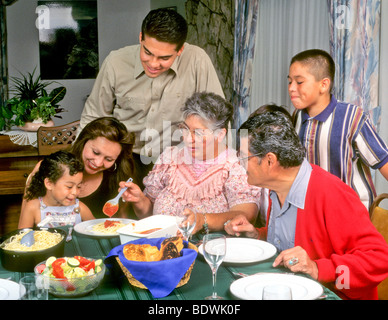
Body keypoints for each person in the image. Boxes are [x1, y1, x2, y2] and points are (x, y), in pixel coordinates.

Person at [225, 110, 388, 300]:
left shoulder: (331, 193)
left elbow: (379, 260)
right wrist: (257, 235)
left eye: (244, 157)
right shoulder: (277, 188)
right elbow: (290, 243)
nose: (239, 164)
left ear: (270, 161)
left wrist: (318, 268)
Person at [80, 8, 225, 188]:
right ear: (141, 37)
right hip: (124, 159)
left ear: (180, 49)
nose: (153, 64)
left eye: (164, 57)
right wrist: (77, 166)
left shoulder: (197, 60)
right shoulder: (115, 62)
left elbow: (216, 119)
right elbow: (93, 117)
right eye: (147, 52)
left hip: (178, 161)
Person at [120, 92, 260, 233]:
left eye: (198, 133)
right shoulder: (169, 157)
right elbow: (149, 215)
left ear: (220, 134)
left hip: (211, 249)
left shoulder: (236, 165)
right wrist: (139, 201)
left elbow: (246, 216)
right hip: (160, 246)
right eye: (185, 129)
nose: (188, 139)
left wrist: (202, 220)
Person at [288, 49, 388, 209]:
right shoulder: (297, 117)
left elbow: (383, 160)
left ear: (324, 85)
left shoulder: (351, 116)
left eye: (299, 82)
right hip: (315, 214)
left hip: (352, 214)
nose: (292, 88)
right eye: (290, 81)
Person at [24, 117, 135, 219]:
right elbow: (24, 225)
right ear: (83, 141)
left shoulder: (119, 179)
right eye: (95, 152)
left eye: (109, 159)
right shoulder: (46, 168)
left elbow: (122, 224)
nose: (98, 162)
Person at [18, 151, 94, 228]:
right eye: (69, 186)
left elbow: (97, 230)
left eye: (79, 186)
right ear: (49, 183)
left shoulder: (79, 208)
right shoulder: (33, 207)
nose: (75, 192)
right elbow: (21, 236)